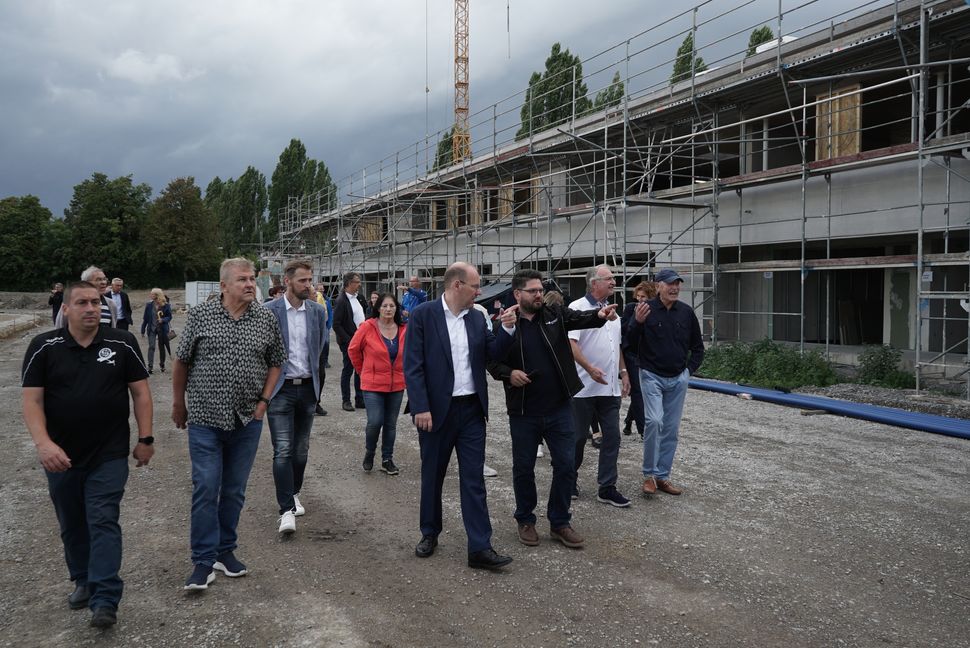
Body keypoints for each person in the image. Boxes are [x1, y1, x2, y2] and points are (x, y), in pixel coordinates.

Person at [22, 281, 153, 628]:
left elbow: (141, 393)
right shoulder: (43, 346)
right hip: (60, 456)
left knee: (103, 519)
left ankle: (105, 598)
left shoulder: (121, 343)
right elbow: (32, 400)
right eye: (82, 302)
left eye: (96, 302)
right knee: (72, 522)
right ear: (66, 309)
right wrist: (43, 444)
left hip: (109, 452)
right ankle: (82, 579)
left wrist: (146, 438)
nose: (92, 308)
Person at [172, 258, 286, 590]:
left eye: (252, 279)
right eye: (242, 280)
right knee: (207, 486)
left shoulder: (265, 318)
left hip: (247, 419)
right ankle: (202, 560)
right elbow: (182, 361)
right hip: (205, 418)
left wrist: (264, 401)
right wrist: (178, 403)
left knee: (234, 490)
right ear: (223, 286)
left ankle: (225, 551)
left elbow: (277, 361)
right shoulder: (201, 316)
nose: (250, 284)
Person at [487, 269, 616, 549]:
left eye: (540, 290)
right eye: (532, 291)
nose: (538, 295)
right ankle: (525, 519)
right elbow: (493, 361)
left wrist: (599, 316)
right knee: (524, 468)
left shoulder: (554, 313)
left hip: (559, 407)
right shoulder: (506, 324)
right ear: (517, 294)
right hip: (524, 411)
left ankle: (559, 521)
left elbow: (579, 317)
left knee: (566, 465)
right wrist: (510, 374)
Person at [404, 262, 516, 570]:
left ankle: (479, 547)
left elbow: (493, 353)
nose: (479, 292)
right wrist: (420, 406)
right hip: (436, 411)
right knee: (433, 475)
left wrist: (507, 329)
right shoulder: (423, 315)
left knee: (473, 479)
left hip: (471, 411)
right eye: (475, 286)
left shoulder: (477, 318)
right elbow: (413, 365)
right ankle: (429, 532)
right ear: (457, 285)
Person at [265, 260, 328, 535]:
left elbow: (320, 347)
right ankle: (286, 510)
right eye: (303, 280)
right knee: (283, 449)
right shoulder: (269, 311)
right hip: (281, 389)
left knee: (301, 450)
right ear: (287, 281)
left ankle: (293, 493)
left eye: (310, 280)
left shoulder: (317, 312)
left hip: (308, 388)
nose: (308, 285)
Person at [628, 269, 704, 496]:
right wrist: (637, 323)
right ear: (658, 286)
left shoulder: (686, 313)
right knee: (654, 421)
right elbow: (629, 342)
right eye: (670, 283)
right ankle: (649, 475)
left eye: (677, 284)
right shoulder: (645, 310)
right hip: (651, 375)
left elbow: (698, 348)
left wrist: (688, 372)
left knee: (671, 429)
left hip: (678, 378)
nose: (675, 288)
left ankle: (662, 476)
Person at [568, 265, 632, 508]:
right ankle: (569, 480)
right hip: (582, 388)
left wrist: (624, 373)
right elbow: (572, 344)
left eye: (613, 278)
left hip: (609, 389)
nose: (614, 282)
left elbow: (616, 346)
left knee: (612, 438)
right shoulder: (577, 308)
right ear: (594, 283)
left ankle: (607, 487)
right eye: (609, 278)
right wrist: (589, 368)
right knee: (577, 438)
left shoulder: (614, 312)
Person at [349, 292, 406, 475]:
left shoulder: (404, 329)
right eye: (384, 306)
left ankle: (387, 459)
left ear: (396, 308)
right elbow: (353, 350)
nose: (388, 309)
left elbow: (411, 354)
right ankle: (370, 451)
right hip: (372, 384)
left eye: (392, 306)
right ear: (378, 308)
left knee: (390, 424)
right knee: (375, 421)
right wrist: (363, 371)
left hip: (396, 384)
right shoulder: (367, 327)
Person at [621, 281, 657, 437]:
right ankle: (643, 430)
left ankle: (629, 420)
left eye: (644, 297)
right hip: (631, 354)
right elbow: (624, 330)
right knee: (637, 391)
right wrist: (636, 318)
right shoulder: (630, 308)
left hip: (647, 354)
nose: (640, 299)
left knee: (642, 390)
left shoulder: (654, 310)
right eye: (638, 296)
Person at [332, 272, 368, 411]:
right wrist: (349, 340)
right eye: (357, 282)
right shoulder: (341, 301)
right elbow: (336, 324)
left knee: (360, 370)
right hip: (349, 342)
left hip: (361, 340)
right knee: (348, 370)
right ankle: (346, 400)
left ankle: (359, 399)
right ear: (349, 283)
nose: (359, 284)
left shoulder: (359, 298)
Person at [140, 288, 173, 374]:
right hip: (152, 329)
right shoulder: (149, 305)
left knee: (161, 347)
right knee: (151, 346)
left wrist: (163, 320)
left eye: (152, 294)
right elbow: (145, 318)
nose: (150, 295)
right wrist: (142, 330)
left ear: (157, 295)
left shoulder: (166, 305)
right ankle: (150, 366)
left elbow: (169, 316)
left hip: (162, 329)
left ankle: (162, 365)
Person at [314, 282, 334, 412]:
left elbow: (328, 316)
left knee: (321, 375)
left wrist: (327, 327)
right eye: (316, 292)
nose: (318, 294)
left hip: (319, 345)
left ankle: (317, 402)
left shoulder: (323, 303)